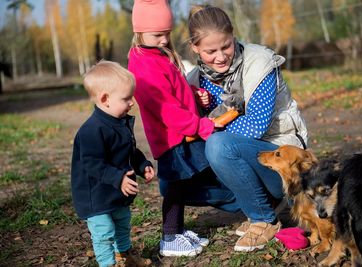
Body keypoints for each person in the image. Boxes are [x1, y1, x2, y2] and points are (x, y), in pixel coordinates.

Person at [186, 5, 308, 252]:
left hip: (279, 155)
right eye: (211, 51)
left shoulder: (259, 62)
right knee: (176, 181)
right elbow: (187, 128)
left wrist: (208, 125)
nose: (221, 56)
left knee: (217, 144)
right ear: (195, 48)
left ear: (233, 37)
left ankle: (264, 218)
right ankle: (259, 202)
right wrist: (197, 115)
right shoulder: (194, 81)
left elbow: (256, 126)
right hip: (245, 155)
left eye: (226, 46)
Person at [127, 0, 240, 257]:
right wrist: (199, 124)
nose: (165, 40)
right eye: (157, 35)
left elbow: (173, 91)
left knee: (182, 183)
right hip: (172, 137)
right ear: (139, 31)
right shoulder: (144, 65)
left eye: (166, 34)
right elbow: (164, 109)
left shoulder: (155, 55)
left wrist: (193, 94)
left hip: (181, 133)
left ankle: (177, 230)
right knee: (176, 187)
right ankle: (169, 236)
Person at [71, 60, 155, 267]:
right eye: (126, 99)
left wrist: (142, 164)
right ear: (105, 99)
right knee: (104, 231)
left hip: (117, 191)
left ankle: (124, 255)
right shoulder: (92, 130)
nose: (132, 103)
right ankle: (108, 263)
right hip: (96, 194)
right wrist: (118, 178)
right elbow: (92, 163)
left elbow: (129, 150)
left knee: (122, 223)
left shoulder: (119, 122)